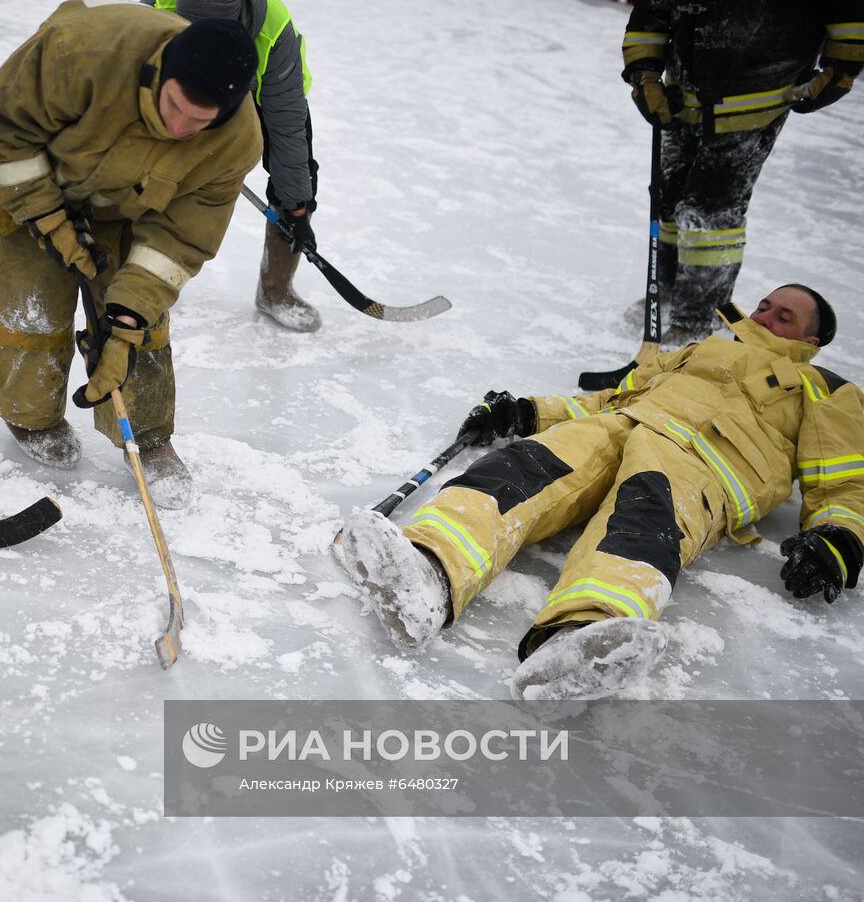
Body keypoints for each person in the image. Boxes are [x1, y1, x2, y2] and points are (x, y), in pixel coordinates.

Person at [337, 285, 864, 701]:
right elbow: (612, 397)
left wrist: (839, 535)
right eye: (766, 306)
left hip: (702, 462)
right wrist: (528, 412)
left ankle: (583, 641)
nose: (766, 317)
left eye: (784, 317)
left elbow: (844, 477)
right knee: (521, 467)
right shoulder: (700, 351)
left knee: (641, 528)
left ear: (812, 341)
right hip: (623, 424)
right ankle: (426, 571)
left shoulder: (824, 388)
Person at [0, 0, 263, 509]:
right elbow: (1, 128)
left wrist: (127, 316)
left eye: (199, 121)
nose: (179, 128)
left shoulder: (237, 142)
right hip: (36, 190)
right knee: (31, 308)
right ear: (160, 73)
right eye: (174, 107)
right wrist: (48, 218)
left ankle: (147, 436)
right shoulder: (79, 51)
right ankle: (31, 417)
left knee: (139, 329)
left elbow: (181, 236)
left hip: (132, 212)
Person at [621, 0, 864, 346]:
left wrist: (839, 71)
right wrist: (644, 73)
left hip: (757, 100)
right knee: (668, 197)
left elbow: (848, 11)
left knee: (712, 214)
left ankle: (698, 318)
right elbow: (652, 8)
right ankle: (667, 291)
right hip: (681, 99)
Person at [141, 0, 320, 332]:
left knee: (297, 182)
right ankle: (137, 284)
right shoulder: (160, 2)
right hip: (180, 87)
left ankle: (276, 291)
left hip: (260, 94)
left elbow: (287, 131)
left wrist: (296, 207)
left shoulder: (273, 28)